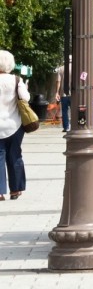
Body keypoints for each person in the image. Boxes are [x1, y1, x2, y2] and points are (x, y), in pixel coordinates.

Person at [0, 51, 27, 199]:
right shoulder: (16, 80)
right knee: (15, 155)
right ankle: (15, 189)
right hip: (14, 124)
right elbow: (25, 98)